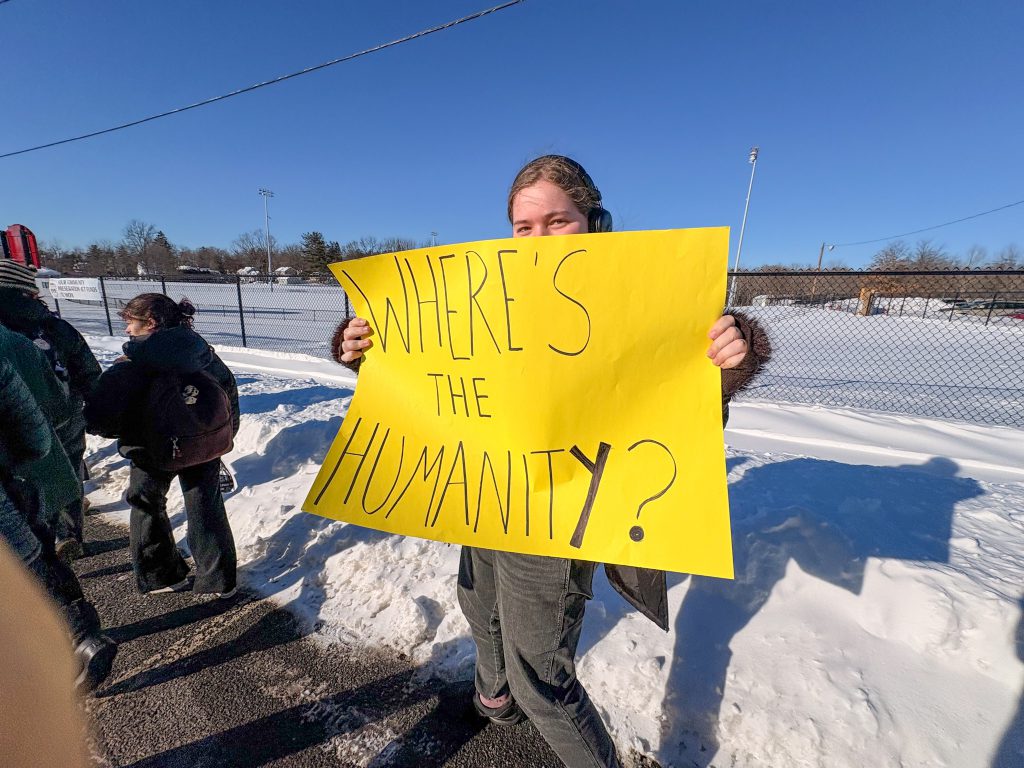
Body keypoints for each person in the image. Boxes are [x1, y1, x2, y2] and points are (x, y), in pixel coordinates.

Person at [332, 155, 771, 767]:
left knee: (543, 680)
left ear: (596, 223)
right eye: (524, 226)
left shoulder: (639, 300)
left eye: (556, 222)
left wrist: (724, 367)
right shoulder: (487, 297)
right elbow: (439, 378)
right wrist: (370, 353)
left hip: (557, 512)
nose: (538, 241)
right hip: (485, 494)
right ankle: (493, 699)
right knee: (477, 605)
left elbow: (675, 417)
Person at [85, 294, 240, 597]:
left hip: (150, 449)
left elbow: (99, 418)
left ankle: (162, 574)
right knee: (206, 504)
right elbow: (228, 391)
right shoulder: (201, 352)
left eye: (130, 322)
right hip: (203, 444)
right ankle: (219, 580)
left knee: (146, 503)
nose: (127, 329)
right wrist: (222, 435)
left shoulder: (131, 364)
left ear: (150, 323)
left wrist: (125, 432)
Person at [0, 332, 117, 692]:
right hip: (18, 482)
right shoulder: (21, 340)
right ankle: (79, 633)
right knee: (37, 558)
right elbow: (34, 429)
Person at [0, 256, 101, 562]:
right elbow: (89, 372)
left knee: (22, 487)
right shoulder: (55, 327)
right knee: (67, 473)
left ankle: (35, 542)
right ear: (29, 292)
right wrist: (96, 414)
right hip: (64, 419)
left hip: (9, 431)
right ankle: (69, 535)